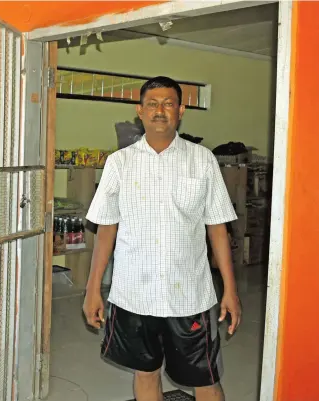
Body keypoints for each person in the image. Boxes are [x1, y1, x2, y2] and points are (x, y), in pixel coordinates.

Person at [83, 76, 242, 401]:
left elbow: (217, 228)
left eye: (168, 103)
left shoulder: (203, 160)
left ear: (180, 110)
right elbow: (106, 230)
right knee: (146, 373)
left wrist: (231, 289)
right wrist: (92, 290)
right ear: (139, 112)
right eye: (152, 104)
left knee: (205, 380)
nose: (160, 110)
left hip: (190, 298)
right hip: (133, 296)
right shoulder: (119, 163)